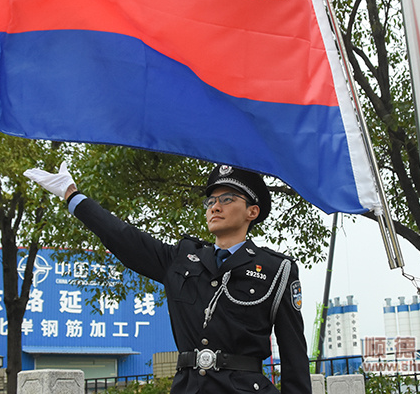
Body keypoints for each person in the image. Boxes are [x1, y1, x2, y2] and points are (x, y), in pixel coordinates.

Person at [24, 162, 312, 393]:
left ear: (252, 211)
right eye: (211, 200)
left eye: (227, 198)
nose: (215, 206)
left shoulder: (276, 269)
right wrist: (73, 196)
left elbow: (294, 355)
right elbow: (124, 237)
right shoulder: (182, 258)